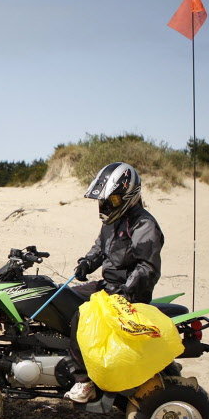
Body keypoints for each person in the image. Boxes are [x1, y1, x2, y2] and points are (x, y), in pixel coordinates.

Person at [63, 162, 164, 403]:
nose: (107, 205)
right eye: (104, 200)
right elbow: (99, 249)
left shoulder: (143, 224)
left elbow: (147, 268)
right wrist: (86, 263)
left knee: (80, 315)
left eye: (114, 200)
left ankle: (84, 381)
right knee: (63, 300)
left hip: (129, 293)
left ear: (129, 197)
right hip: (107, 286)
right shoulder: (111, 222)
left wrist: (125, 290)